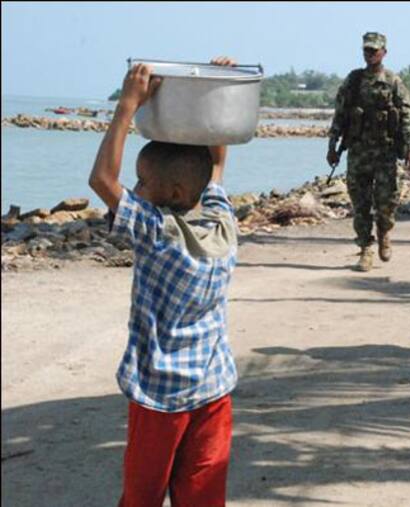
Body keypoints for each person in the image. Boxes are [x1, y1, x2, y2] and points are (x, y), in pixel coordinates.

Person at [88, 58, 239, 507]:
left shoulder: (157, 234)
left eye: (142, 182)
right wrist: (214, 90)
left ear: (172, 194)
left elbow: (102, 180)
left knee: (142, 496)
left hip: (160, 397)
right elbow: (215, 163)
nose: (134, 190)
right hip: (213, 389)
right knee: (202, 496)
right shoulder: (223, 221)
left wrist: (127, 105)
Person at [327, 32, 410, 272]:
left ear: (384, 53)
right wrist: (332, 146)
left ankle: (384, 231)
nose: (370, 54)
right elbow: (340, 114)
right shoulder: (353, 80)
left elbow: (407, 116)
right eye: (366, 50)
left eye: (374, 51)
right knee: (360, 204)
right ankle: (365, 248)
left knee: (387, 202)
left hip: (386, 152)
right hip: (359, 151)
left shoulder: (393, 82)